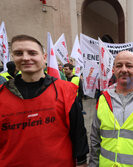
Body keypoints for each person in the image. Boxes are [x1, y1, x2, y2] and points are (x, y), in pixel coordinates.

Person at [0, 34, 89, 167]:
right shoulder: (2, 93)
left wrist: (82, 163)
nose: (25, 57)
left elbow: (78, 133)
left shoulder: (65, 91)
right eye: (19, 53)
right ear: (13, 58)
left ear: (44, 57)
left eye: (32, 53)